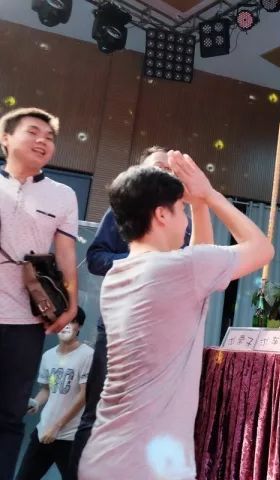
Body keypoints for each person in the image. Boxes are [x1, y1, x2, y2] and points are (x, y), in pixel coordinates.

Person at [78, 151, 273, 479]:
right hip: (146, 467)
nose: (185, 220)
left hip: (105, 456)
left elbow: (200, 256)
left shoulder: (119, 274)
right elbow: (262, 248)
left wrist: (196, 204)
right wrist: (209, 195)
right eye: (180, 209)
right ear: (161, 215)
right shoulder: (179, 269)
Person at [66, 146, 191, 477]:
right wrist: (141, 260)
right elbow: (96, 259)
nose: (164, 173)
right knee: (98, 412)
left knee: (151, 417)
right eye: (157, 167)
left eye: (170, 169)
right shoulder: (122, 211)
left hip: (165, 331)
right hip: (121, 324)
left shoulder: (183, 219)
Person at [0, 107, 79, 479]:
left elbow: (66, 255)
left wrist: (71, 303)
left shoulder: (63, 195)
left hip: (25, 321)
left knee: (9, 415)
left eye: (49, 137)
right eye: (33, 132)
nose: (42, 141)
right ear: (5, 138)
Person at [15, 308, 93, 480]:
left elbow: (83, 395)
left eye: (72, 322)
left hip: (69, 437)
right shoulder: (48, 356)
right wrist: (36, 403)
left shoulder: (87, 355)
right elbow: (47, 389)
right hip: (43, 432)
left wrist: (57, 427)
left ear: (79, 327)